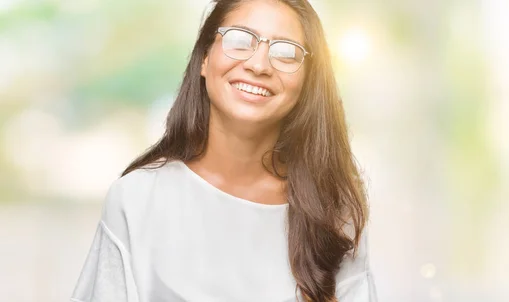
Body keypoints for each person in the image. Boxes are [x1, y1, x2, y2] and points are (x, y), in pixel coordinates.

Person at [71, 0, 377, 301]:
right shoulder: (137, 199)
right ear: (204, 57)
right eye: (240, 40)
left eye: (285, 52)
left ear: (308, 80)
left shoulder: (332, 205)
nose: (259, 65)